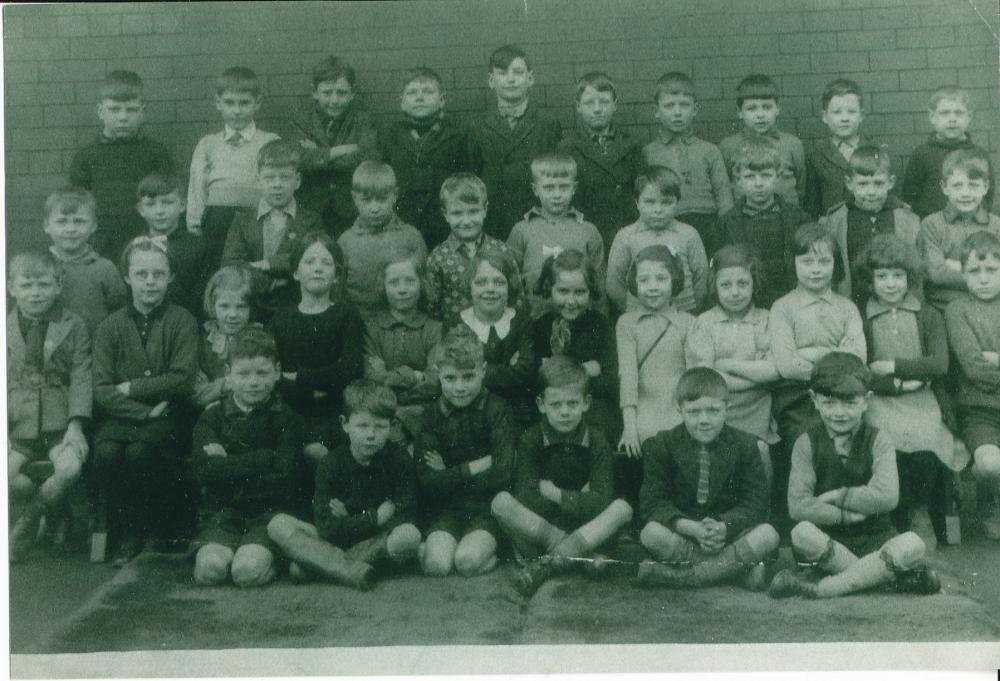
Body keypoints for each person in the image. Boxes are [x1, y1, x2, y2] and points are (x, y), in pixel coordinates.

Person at [769, 352, 940, 599]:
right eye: (829, 403)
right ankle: (882, 579)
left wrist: (839, 496)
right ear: (814, 400)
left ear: (866, 400)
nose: (839, 412)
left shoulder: (878, 440)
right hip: (828, 539)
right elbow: (798, 506)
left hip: (876, 538)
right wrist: (845, 515)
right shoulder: (806, 443)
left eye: (849, 403)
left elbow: (887, 497)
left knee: (914, 543)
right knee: (801, 533)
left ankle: (822, 589)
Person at [91, 237, 199, 565]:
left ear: (171, 277)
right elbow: (102, 388)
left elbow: (181, 381)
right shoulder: (110, 326)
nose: (150, 282)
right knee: (107, 452)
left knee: (140, 453)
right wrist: (143, 410)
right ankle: (117, 532)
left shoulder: (182, 320)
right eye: (141, 274)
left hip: (171, 415)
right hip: (127, 416)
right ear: (127, 277)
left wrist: (132, 388)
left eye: (158, 274)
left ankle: (149, 532)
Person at [492, 356, 632, 596]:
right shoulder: (531, 440)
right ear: (541, 404)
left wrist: (556, 494)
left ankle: (550, 563)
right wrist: (579, 499)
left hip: (586, 528)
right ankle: (578, 555)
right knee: (501, 503)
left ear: (586, 402)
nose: (565, 412)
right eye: (556, 405)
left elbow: (602, 500)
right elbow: (526, 496)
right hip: (545, 531)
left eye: (572, 403)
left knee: (622, 508)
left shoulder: (597, 440)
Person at [268, 380, 422, 590]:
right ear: (345, 423)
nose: (370, 434)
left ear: (392, 426)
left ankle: (320, 565)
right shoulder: (330, 463)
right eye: (362, 425)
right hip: (337, 541)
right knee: (278, 524)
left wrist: (348, 516)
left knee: (408, 535)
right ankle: (352, 570)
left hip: (376, 542)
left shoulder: (400, 460)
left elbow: (405, 516)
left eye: (380, 427)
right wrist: (374, 517)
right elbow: (327, 528)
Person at [857, 235, 959, 546]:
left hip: (925, 398)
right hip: (883, 399)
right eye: (882, 276)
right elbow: (863, 369)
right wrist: (895, 383)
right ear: (870, 280)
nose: (890, 284)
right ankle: (896, 521)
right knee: (887, 442)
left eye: (898, 276)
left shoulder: (927, 314)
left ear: (910, 278)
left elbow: (939, 364)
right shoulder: (863, 315)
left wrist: (892, 366)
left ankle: (922, 513)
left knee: (929, 439)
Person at [636, 368, 778, 590]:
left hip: (730, 536)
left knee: (768, 535)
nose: (704, 420)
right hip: (686, 536)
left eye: (713, 410)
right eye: (693, 412)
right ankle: (735, 572)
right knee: (651, 534)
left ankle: (687, 577)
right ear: (679, 409)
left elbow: (755, 504)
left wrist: (724, 526)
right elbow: (653, 503)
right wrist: (692, 528)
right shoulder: (661, 445)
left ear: (726, 409)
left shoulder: (746, 446)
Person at [769, 224, 866, 532]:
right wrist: (832, 355)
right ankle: (802, 521)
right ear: (793, 264)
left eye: (824, 262)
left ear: (836, 265)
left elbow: (857, 360)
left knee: (853, 441)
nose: (815, 270)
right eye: (807, 262)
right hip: (797, 399)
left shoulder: (847, 308)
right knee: (806, 441)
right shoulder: (783, 308)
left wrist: (809, 352)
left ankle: (844, 520)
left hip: (842, 396)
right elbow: (786, 365)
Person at [190, 328, 304, 587]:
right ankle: (222, 551)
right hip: (221, 512)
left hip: (267, 514)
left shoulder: (286, 419)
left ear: (276, 372)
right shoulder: (212, 417)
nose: (253, 382)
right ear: (228, 375)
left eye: (262, 373)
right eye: (243, 373)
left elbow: (285, 476)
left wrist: (228, 463)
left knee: (247, 572)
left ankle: (268, 559)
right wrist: (264, 458)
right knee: (211, 569)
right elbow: (206, 472)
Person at [7, 252, 91, 561]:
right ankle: (55, 510)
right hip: (18, 422)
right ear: (11, 287)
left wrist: (76, 424)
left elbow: (82, 374)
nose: (35, 293)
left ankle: (29, 522)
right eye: (26, 285)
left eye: (44, 284)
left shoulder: (73, 324)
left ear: (58, 286)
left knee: (70, 468)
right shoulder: (5, 326)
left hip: (60, 420)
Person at [415, 330, 517, 577]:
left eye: (468, 377)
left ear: (482, 370)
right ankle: (435, 548)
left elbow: (502, 473)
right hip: (446, 509)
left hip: (485, 509)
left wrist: (448, 473)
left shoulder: (498, 409)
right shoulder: (431, 415)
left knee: (466, 561)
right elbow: (427, 481)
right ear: (439, 374)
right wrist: (473, 467)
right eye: (450, 378)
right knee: (437, 566)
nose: (459, 387)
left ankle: (495, 550)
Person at [269, 232, 364, 463]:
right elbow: (274, 375)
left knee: (319, 453)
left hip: (333, 412)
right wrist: (314, 387)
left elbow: (350, 371)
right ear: (295, 272)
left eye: (326, 263)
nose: (318, 268)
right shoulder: (281, 319)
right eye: (309, 262)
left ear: (336, 276)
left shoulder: (346, 315)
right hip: (290, 412)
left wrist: (301, 377)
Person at [687, 245, 779, 481]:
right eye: (726, 285)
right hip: (718, 411)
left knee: (760, 455)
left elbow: (773, 370)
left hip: (758, 411)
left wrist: (727, 364)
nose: (735, 292)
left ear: (754, 284)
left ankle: (761, 511)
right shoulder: (704, 323)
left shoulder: (766, 319)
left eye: (743, 284)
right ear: (714, 287)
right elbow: (705, 379)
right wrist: (753, 376)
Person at [616, 245, 696, 509]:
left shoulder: (688, 322)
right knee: (637, 451)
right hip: (644, 411)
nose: (652, 287)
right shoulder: (627, 323)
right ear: (634, 283)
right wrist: (630, 426)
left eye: (661, 279)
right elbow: (628, 376)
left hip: (677, 409)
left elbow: (692, 376)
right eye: (644, 280)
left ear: (675, 281)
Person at [69, 70, 174, 261]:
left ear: (143, 111)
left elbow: (166, 201)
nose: (123, 117)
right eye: (115, 109)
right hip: (99, 242)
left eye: (131, 109)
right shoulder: (86, 155)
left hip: (145, 238)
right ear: (101, 111)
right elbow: (77, 204)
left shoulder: (156, 153)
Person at [187, 66, 280, 276]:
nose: (236, 110)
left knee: (252, 276)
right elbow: (196, 189)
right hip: (217, 223)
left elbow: (278, 184)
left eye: (244, 103)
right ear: (218, 103)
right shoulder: (208, 144)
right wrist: (194, 227)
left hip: (255, 220)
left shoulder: (270, 141)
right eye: (229, 103)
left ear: (257, 103)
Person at [221, 140, 323, 322]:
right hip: (252, 309)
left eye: (285, 177)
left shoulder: (311, 220)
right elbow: (231, 264)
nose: (277, 184)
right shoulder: (243, 220)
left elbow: (311, 260)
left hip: (296, 306)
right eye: (269, 178)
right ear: (258, 180)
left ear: (297, 181)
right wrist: (268, 283)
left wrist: (270, 263)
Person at [469, 44, 561, 240]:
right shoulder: (477, 126)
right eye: (503, 73)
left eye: (518, 72)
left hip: (535, 220)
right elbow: (473, 177)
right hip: (493, 222)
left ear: (530, 78)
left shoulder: (547, 124)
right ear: (491, 81)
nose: (511, 79)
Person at [944, 230, 1000, 540]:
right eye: (974, 271)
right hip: (980, 410)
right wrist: (987, 360)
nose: (983, 279)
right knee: (991, 465)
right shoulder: (957, 310)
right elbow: (973, 367)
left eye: (992, 270)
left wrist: (992, 357)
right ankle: (991, 499)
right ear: (963, 274)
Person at [377, 66, 471, 249]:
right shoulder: (389, 136)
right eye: (412, 93)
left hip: (445, 227)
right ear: (402, 102)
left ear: (442, 99)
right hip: (402, 225)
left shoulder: (459, 135)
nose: (419, 97)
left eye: (428, 91)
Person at [642, 72, 733, 258]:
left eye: (684, 105)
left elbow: (724, 197)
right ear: (656, 111)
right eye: (669, 105)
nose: (677, 112)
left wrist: (725, 232)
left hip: (708, 226)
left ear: (695, 109)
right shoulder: (648, 153)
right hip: (667, 224)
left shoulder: (710, 150)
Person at [532, 249, 618, 439]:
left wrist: (555, 370)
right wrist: (584, 370)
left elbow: (611, 382)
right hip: (552, 414)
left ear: (590, 291)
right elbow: (535, 380)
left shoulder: (601, 325)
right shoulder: (540, 327)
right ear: (549, 289)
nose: (571, 301)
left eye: (579, 292)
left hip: (593, 414)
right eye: (563, 291)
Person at [818, 145, 920, 306]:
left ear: (890, 182)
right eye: (863, 184)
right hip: (852, 303)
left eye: (878, 184)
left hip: (895, 302)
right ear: (849, 183)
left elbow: (915, 271)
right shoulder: (836, 220)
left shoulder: (907, 219)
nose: (871, 191)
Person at [291, 55, 379, 236]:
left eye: (341, 92)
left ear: (352, 93)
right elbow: (299, 160)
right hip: (311, 209)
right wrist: (341, 150)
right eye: (327, 92)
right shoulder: (302, 121)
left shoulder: (363, 120)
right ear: (314, 92)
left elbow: (368, 158)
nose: (334, 100)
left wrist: (319, 154)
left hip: (351, 209)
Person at [506, 152, 605, 311]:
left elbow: (598, 286)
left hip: (578, 314)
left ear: (574, 188)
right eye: (549, 187)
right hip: (532, 318)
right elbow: (510, 279)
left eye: (564, 187)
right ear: (535, 189)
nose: (557, 194)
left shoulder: (588, 231)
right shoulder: (521, 230)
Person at [363, 248, 443, 440]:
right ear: (382, 286)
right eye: (393, 282)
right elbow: (371, 378)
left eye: (410, 281)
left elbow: (436, 380)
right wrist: (414, 376)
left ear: (421, 284)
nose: (402, 289)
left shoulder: (434, 329)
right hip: (381, 412)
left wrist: (391, 378)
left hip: (425, 411)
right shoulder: (371, 329)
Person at [719, 142, 811, 309]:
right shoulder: (726, 223)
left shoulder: (798, 218)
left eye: (766, 175)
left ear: (778, 176)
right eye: (750, 177)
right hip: (747, 303)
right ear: (738, 180)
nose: (758, 183)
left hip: (790, 299)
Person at [558, 71, 641, 253]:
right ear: (578, 107)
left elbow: (640, 190)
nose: (597, 108)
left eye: (604, 102)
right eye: (589, 102)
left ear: (615, 105)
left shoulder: (632, 145)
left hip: (625, 228)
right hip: (586, 229)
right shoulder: (567, 149)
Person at [606, 166, 708, 314]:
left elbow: (702, 278)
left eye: (666, 202)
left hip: (683, 315)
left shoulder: (689, 234)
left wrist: (689, 312)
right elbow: (614, 284)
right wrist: (634, 311)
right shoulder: (626, 237)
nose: (658, 210)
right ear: (637, 202)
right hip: (640, 317)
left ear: (677, 202)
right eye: (650, 202)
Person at [453, 249, 535, 424]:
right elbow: (459, 372)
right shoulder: (457, 323)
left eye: (499, 282)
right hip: (470, 410)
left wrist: (480, 371)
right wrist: (507, 367)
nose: (490, 289)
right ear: (470, 285)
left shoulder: (522, 322)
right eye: (481, 282)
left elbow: (525, 373)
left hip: (516, 411)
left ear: (509, 286)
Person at [337, 161, 428, 315]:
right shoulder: (345, 241)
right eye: (366, 200)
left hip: (402, 322)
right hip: (359, 323)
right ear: (354, 197)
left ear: (395, 196)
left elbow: (424, 288)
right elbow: (338, 292)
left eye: (382, 199)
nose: (374, 208)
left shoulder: (411, 237)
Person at [918, 148, 1000, 311]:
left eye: (973, 186)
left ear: (985, 187)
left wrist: (956, 266)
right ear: (945, 187)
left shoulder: (996, 225)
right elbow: (937, 274)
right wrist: (985, 272)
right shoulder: (931, 225)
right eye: (957, 186)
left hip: (990, 307)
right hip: (944, 306)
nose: (965, 193)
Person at [425, 173, 512, 325]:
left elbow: (517, 298)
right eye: (457, 213)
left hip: (497, 335)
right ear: (445, 214)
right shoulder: (438, 258)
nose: (466, 221)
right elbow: (431, 309)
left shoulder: (501, 250)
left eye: (473, 211)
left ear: (484, 210)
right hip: (456, 337)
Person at [41, 186, 127, 335]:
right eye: (62, 222)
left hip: (95, 349)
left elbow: (119, 313)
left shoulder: (105, 269)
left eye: (79, 221)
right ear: (47, 226)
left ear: (93, 226)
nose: (70, 229)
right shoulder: (39, 266)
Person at [902, 86, 994, 219]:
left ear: (969, 117)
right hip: (931, 228)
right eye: (945, 113)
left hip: (971, 225)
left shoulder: (979, 155)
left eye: (959, 113)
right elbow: (910, 195)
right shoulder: (922, 154)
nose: (952, 119)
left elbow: (987, 196)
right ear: (932, 117)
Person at [718, 74, 806, 209]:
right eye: (752, 108)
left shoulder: (792, 144)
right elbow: (724, 187)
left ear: (778, 108)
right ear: (739, 111)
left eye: (767, 107)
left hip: (787, 219)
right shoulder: (728, 146)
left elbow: (801, 186)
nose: (760, 115)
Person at [191, 265, 260, 412]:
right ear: (212, 305)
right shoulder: (203, 341)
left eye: (241, 307)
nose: (233, 314)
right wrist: (226, 386)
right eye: (224, 306)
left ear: (251, 308)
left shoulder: (260, 339)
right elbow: (197, 394)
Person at [135, 173, 204, 317]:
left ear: (182, 205)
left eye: (167, 202)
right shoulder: (134, 247)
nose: (160, 211)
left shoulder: (197, 247)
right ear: (141, 210)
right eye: (151, 204)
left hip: (185, 323)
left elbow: (201, 296)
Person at [804, 79, 871, 218]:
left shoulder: (874, 151)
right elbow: (812, 204)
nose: (844, 118)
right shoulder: (815, 155)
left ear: (861, 116)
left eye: (851, 112)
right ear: (825, 117)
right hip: (831, 230)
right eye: (837, 112)